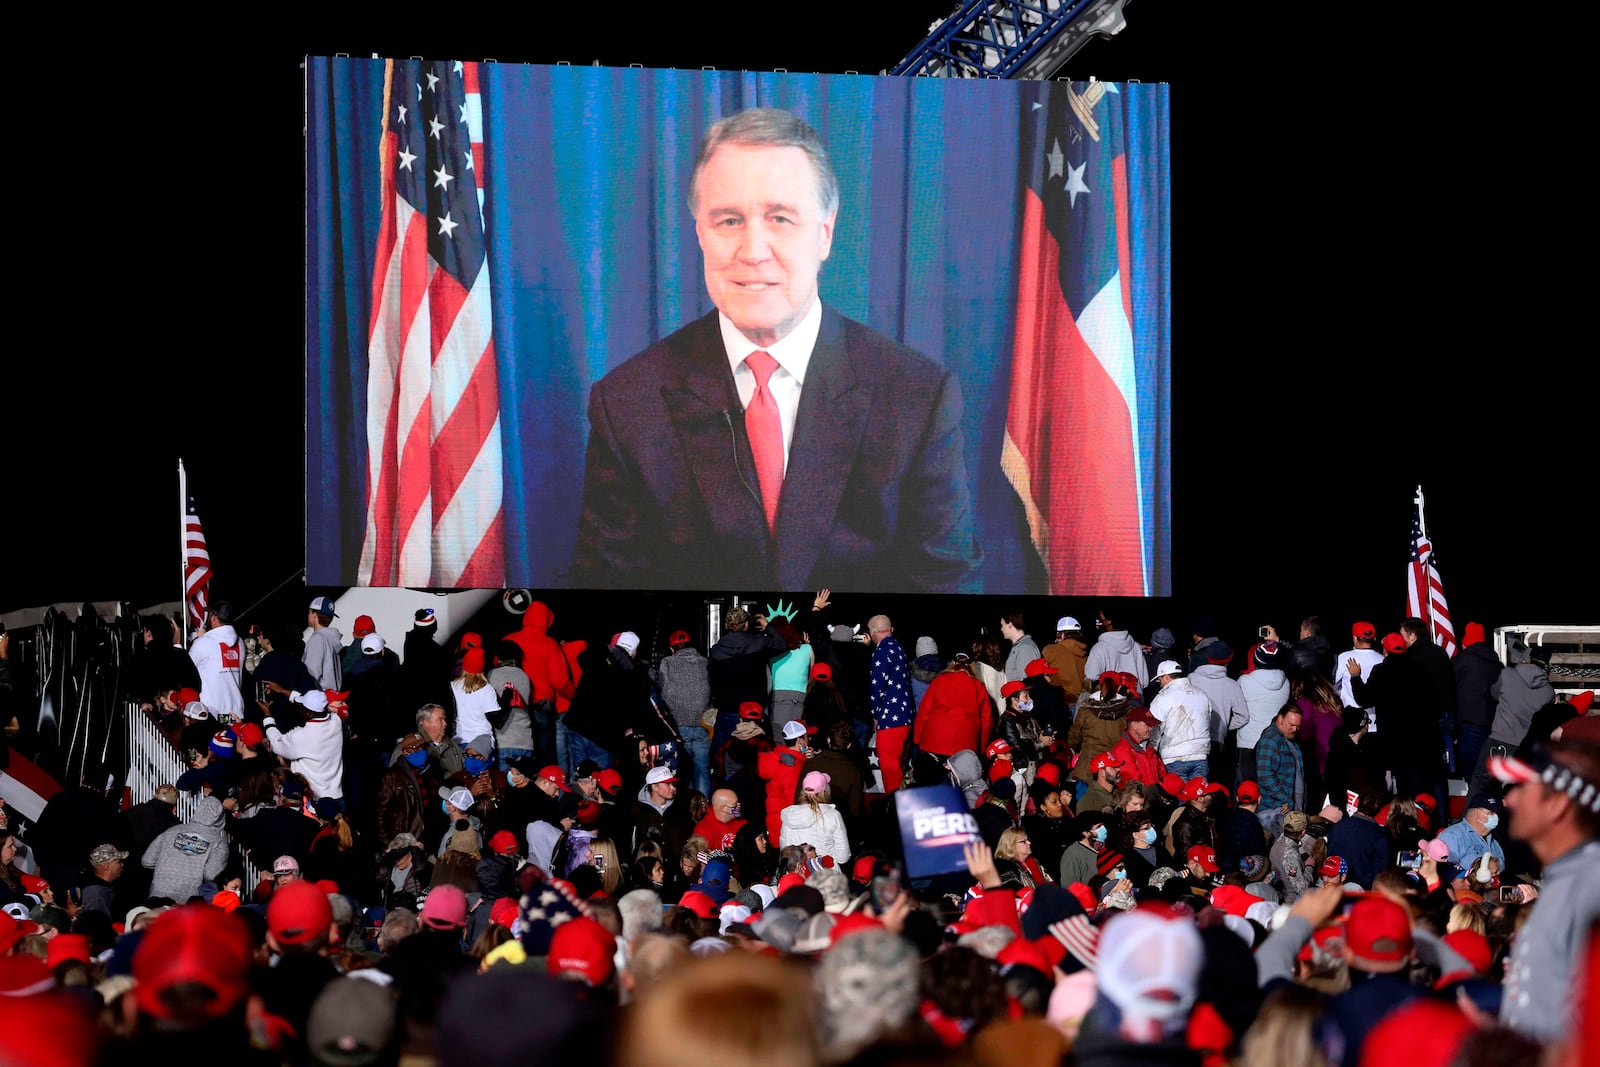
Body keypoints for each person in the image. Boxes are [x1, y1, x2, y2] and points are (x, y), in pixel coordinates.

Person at [570, 106, 980, 592]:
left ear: (824, 233)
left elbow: (943, 588)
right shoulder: (627, 404)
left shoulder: (918, 397)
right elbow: (610, 599)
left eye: (780, 218)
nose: (753, 249)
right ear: (700, 232)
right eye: (728, 221)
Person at [1491, 739, 1600, 1043]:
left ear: (1557, 805)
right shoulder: (1565, 877)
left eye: (1523, 789)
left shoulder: (1590, 884)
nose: (1510, 799)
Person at [866, 614, 913, 792]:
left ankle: (895, 810)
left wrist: (874, 715)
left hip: (890, 719)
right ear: (890, 630)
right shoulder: (898, 647)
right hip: (905, 716)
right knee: (899, 766)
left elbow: (876, 687)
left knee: (890, 769)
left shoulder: (881, 651)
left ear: (872, 633)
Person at [1147, 659, 1212, 782]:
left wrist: (1151, 750)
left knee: (1180, 797)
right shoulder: (1201, 694)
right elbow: (1207, 722)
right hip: (1200, 754)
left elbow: (1155, 727)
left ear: (1166, 677)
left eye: (1159, 679)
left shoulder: (1163, 697)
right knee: (1199, 798)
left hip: (1173, 757)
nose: (1159, 683)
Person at [188, 600, 245, 721]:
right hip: (235, 714)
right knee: (231, 740)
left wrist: (198, 640)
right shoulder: (240, 643)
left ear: (214, 617)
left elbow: (185, 669)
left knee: (214, 740)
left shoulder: (203, 642)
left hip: (212, 714)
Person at [303, 595, 343, 691]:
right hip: (333, 698)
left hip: (321, 699)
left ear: (315, 614)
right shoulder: (331, 639)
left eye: (309, 612)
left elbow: (311, 674)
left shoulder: (317, 640)